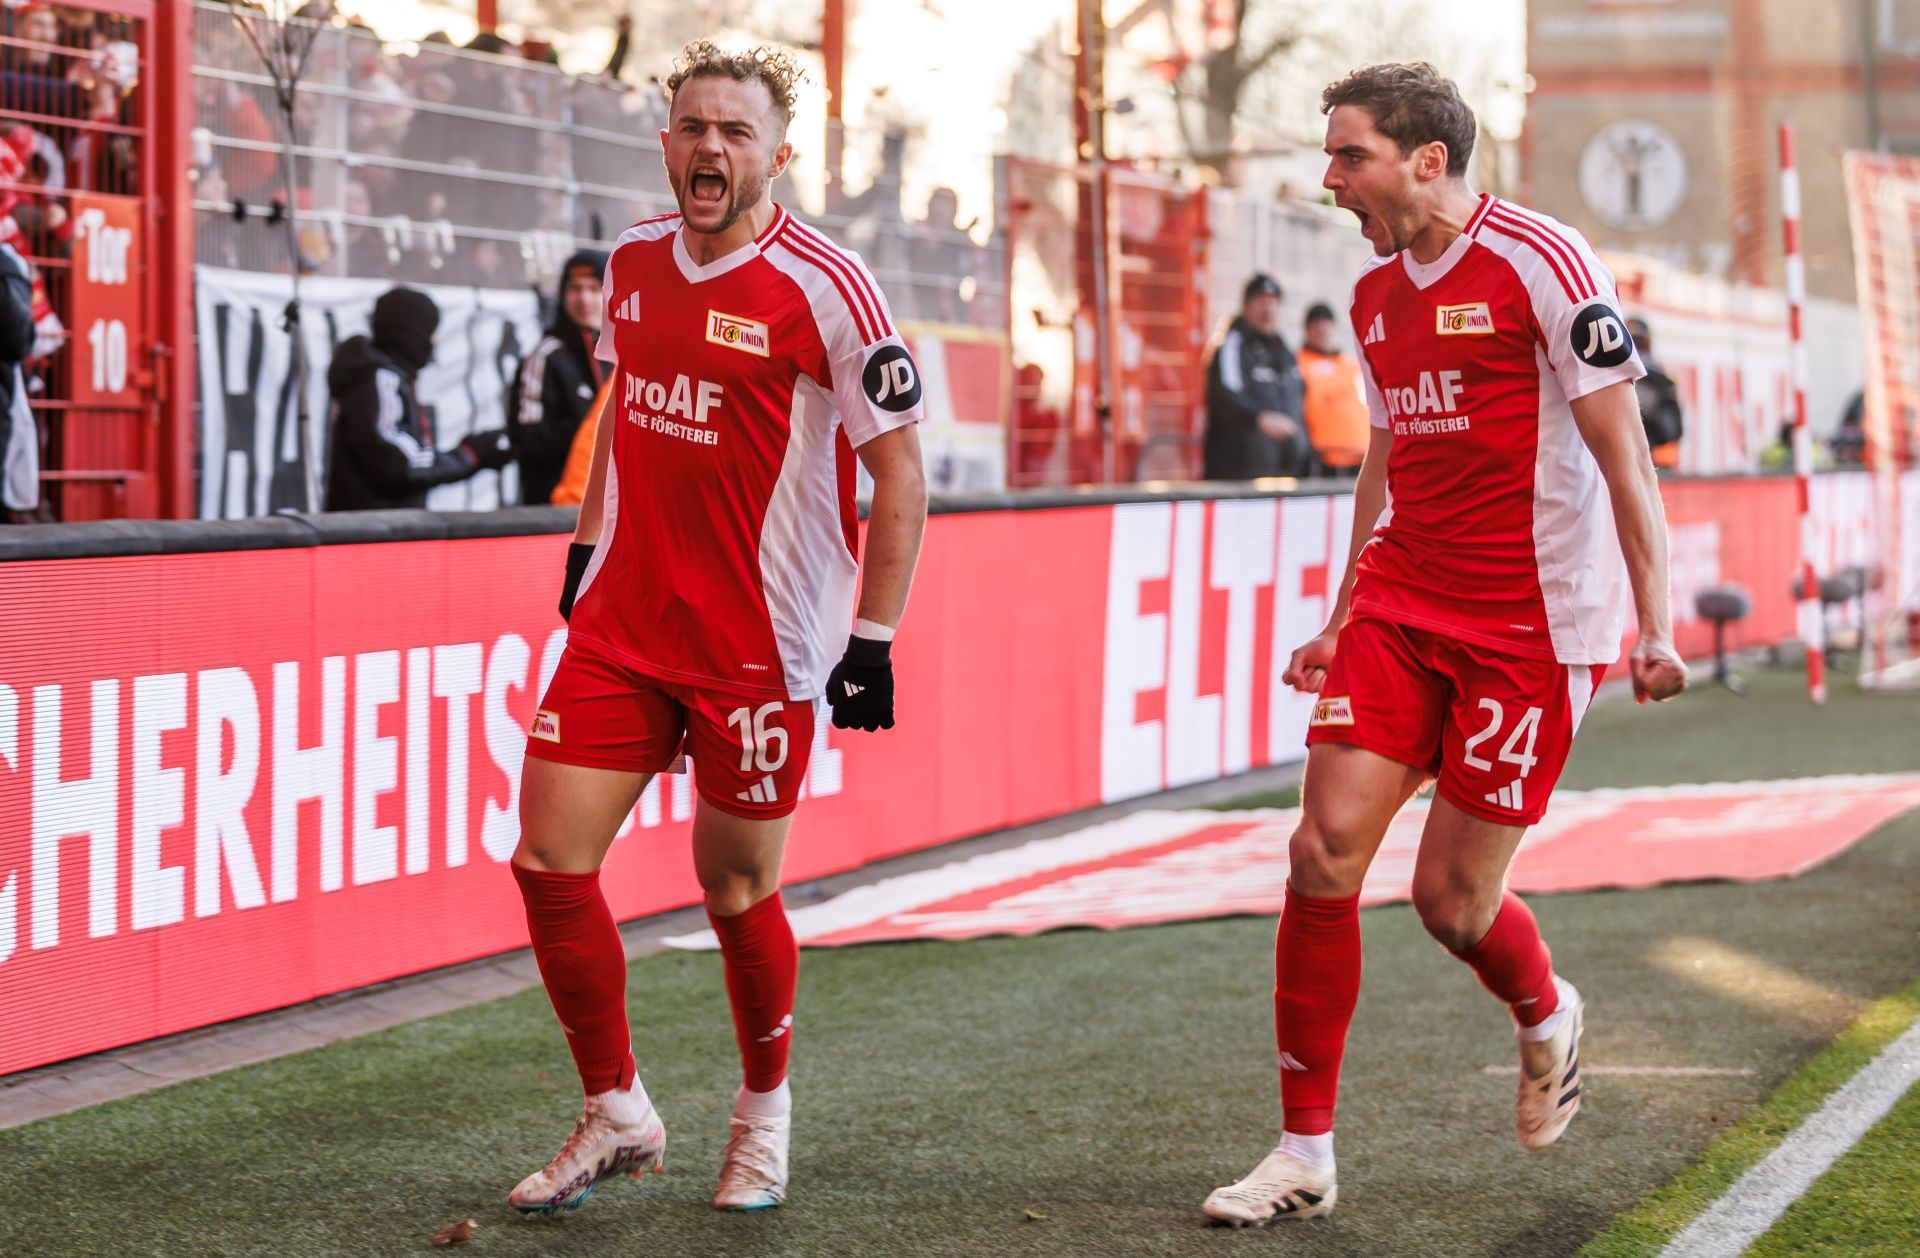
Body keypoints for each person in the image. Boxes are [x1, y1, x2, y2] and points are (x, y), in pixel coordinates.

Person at [1202, 62, 1688, 1227]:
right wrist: (1338, 615)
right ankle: (1303, 1155)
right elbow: (1385, 461)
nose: (1329, 182)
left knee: (1450, 903)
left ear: (1428, 158)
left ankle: (1545, 1010)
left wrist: (1657, 623)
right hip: (1402, 611)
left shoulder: (1544, 265)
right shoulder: (1373, 298)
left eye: (1348, 155)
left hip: (1531, 627)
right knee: (1320, 855)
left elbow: (1628, 464)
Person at [506, 41, 928, 1218]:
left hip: (758, 642)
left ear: (779, 157)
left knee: (736, 894)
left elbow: (901, 477)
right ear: (667, 142)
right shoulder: (633, 261)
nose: (710, 148)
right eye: (694, 125)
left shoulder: (828, 287)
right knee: (547, 860)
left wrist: (874, 637)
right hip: (623, 625)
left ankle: (763, 1115)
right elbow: (623, 407)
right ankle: (617, 1105)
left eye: (736, 132)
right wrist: (587, 551)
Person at [322, 286, 513, 511]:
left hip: (378, 526)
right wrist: (470, 453)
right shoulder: (379, 379)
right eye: (430, 331)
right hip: (372, 530)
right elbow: (400, 463)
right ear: (410, 333)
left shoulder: (385, 378)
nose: (435, 340)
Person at [510, 249, 610, 504]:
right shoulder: (546, 356)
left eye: (594, 288)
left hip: (608, 506)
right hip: (554, 504)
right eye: (575, 289)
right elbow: (526, 438)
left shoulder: (622, 354)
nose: (584, 299)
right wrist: (588, 425)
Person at [1205, 273, 1307, 478]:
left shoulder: (1283, 350)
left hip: (1286, 471)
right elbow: (1224, 396)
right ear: (1246, 306)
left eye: (1273, 302)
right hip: (1241, 473)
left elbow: (1299, 396)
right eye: (1261, 301)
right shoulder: (1232, 345)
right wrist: (1258, 417)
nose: (1268, 309)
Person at [1298, 302, 1369, 475]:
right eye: (1317, 326)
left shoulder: (1350, 365)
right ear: (1308, 330)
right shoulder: (1298, 363)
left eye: (1326, 325)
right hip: (1322, 459)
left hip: (1360, 457)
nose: (1323, 331)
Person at [1627, 316, 1683, 469]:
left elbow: (1673, 429)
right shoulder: (1657, 375)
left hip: (1653, 459)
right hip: (1636, 459)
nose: (1636, 348)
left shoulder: (1658, 378)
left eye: (1639, 342)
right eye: (1632, 341)